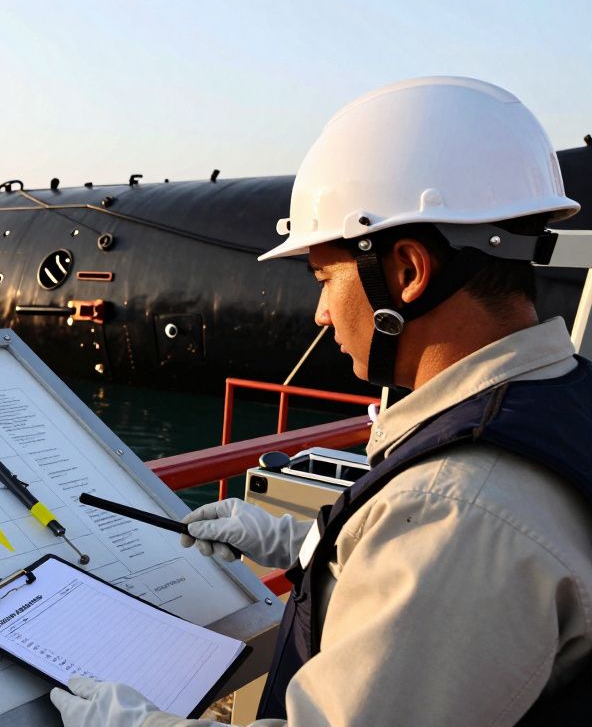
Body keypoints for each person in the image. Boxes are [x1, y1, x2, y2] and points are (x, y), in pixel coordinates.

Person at [51, 76, 592, 726]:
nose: (320, 314)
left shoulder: (453, 512)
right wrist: (301, 542)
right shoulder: (558, 398)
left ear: (408, 271)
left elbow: (452, 558)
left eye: (324, 277)